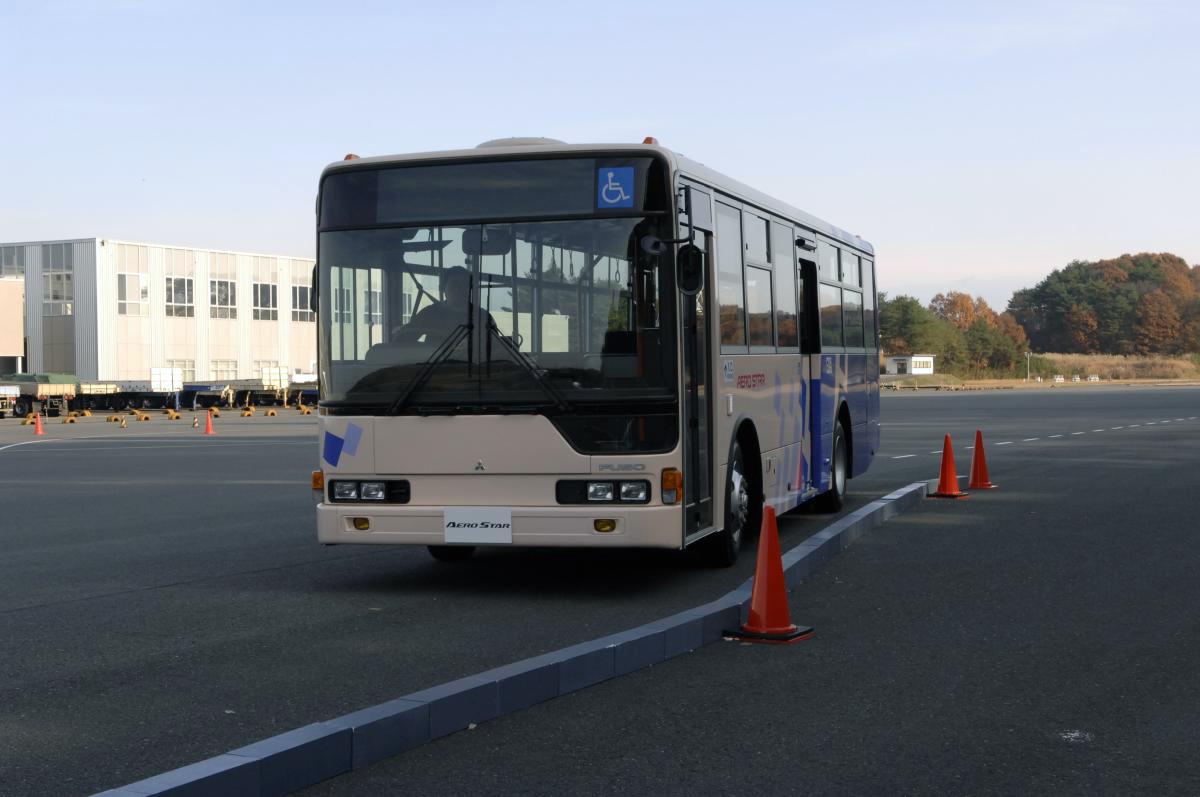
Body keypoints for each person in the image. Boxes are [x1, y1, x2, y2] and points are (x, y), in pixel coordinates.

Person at [392, 266, 495, 344]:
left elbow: (495, 349)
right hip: (435, 370)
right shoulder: (430, 314)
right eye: (454, 284)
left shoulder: (483, 317)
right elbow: (403, 341)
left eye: (464, 284)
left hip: (471, 370)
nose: (458, 289)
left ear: (470, 289)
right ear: (442, 288)